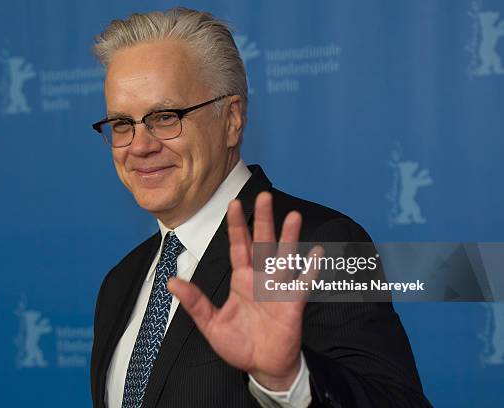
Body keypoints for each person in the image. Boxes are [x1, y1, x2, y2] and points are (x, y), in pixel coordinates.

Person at [89, 7, 431, 408]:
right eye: (122, 124)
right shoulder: (119, 283)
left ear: (232, 119)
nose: (140, 146)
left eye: (165, 117)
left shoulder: (321, 246)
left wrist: (288, 379)